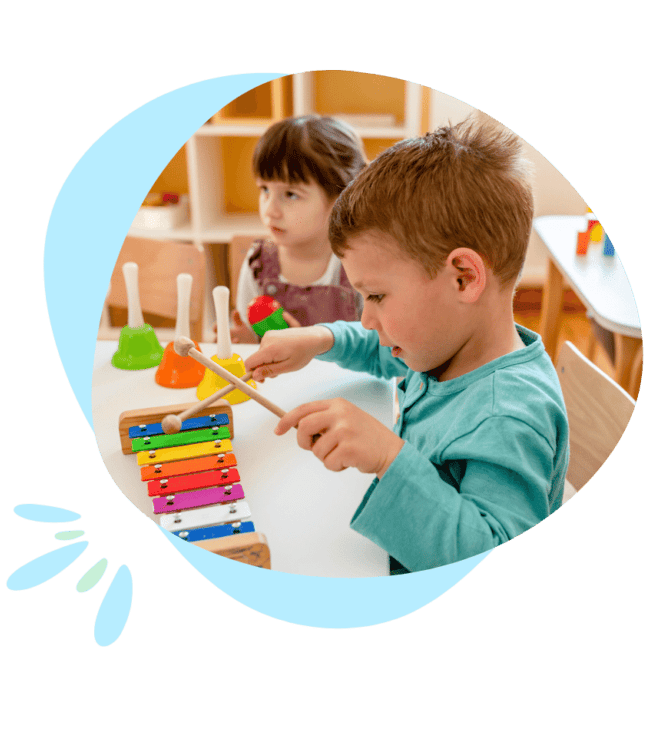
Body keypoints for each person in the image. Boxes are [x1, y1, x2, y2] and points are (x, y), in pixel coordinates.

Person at [244, 114, 570, 574]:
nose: (366, 317)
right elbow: (383, 347)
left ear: (463, 278)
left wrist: (387, 457)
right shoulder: (446, 344)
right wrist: (319, 339)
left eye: (376, 296)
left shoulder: (507, 415)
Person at [229, 115, 368, 342]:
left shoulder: (359, 265)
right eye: (264, 190)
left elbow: (378, 347)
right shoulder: (258, 264)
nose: (270, 210)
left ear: (340, 198)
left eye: (291, 194)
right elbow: (254, 341)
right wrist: (247, 341)